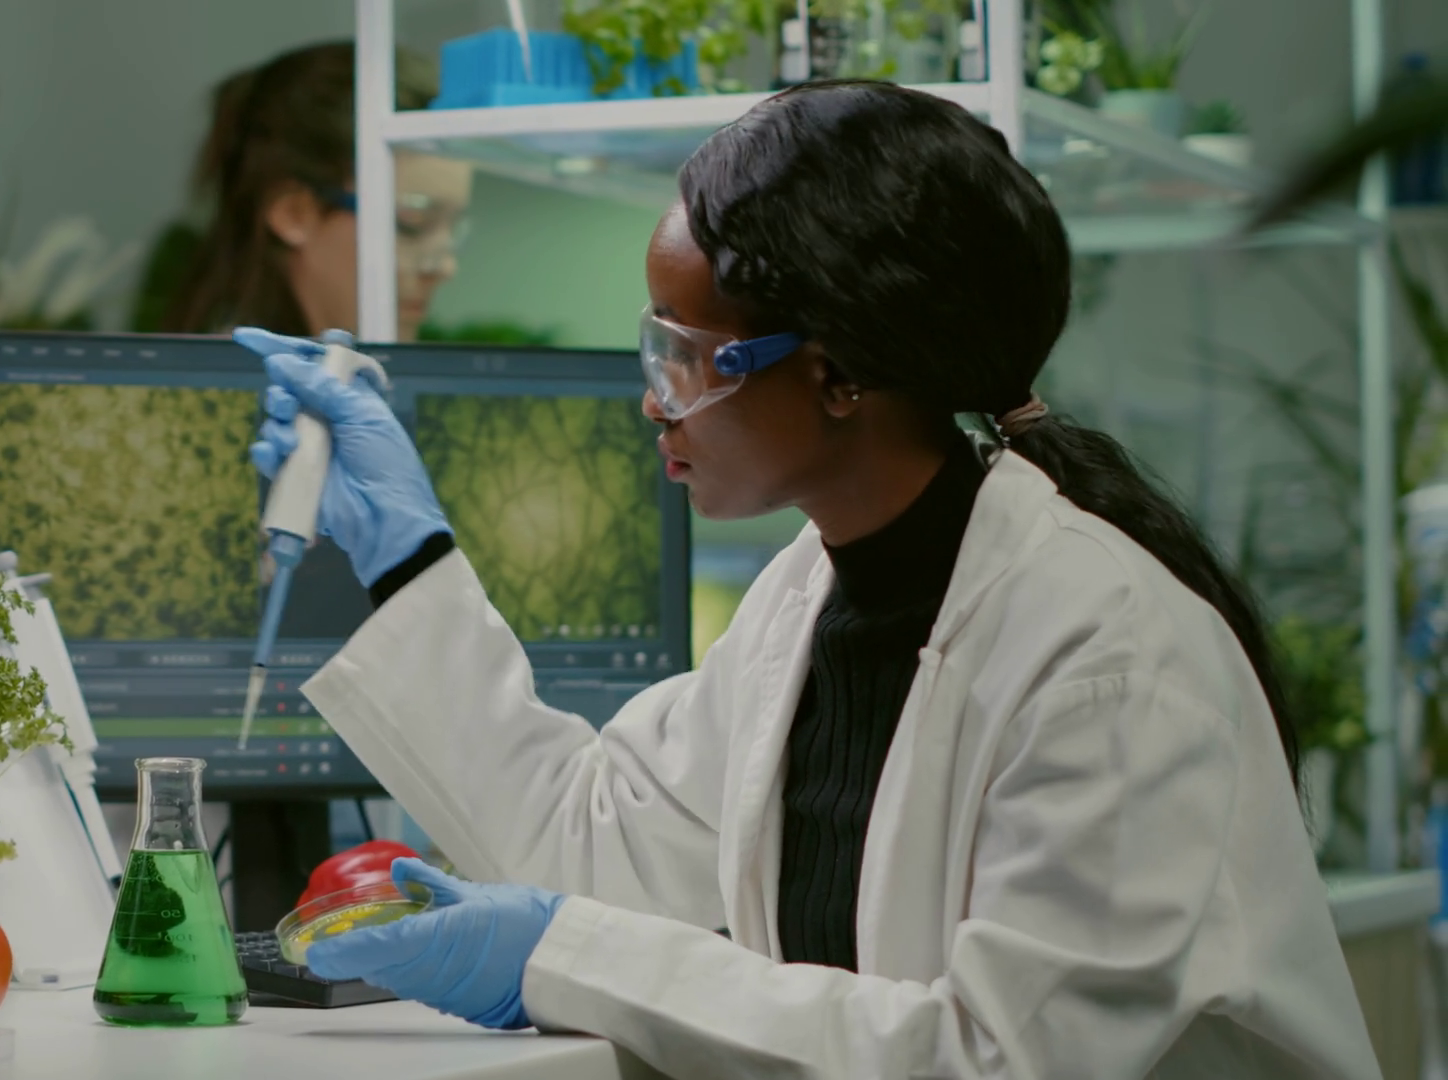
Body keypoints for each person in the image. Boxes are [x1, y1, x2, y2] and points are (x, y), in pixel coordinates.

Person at [231, 80, 1380, 1079]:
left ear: (837, 377)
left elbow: (992, 1060)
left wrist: (552, 951)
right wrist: (405, 556)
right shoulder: (808, 598)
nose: (655, 400)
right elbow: (593, 846)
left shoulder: (1106, 653)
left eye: (686, 356)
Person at [137, 41, 473, 343]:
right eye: (411, 221)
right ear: (294, 213)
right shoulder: (236, 383)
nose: (444, 267)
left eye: (453, 226)